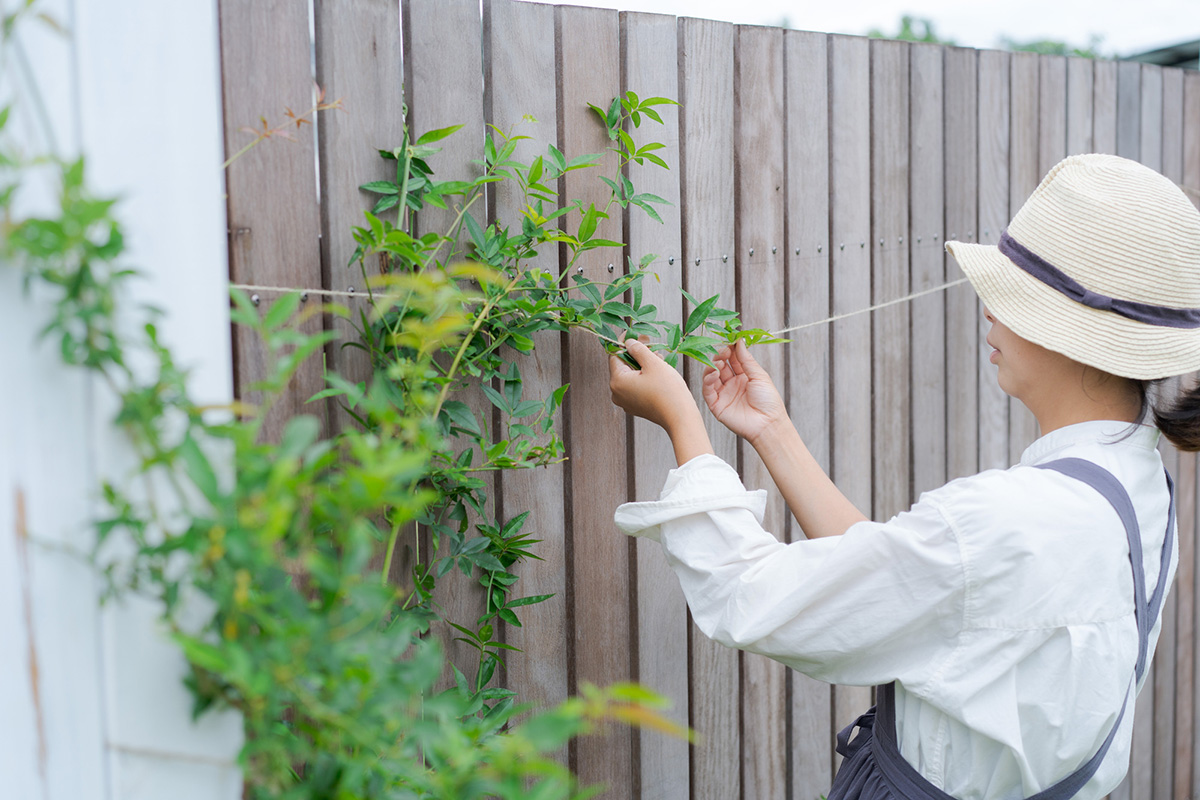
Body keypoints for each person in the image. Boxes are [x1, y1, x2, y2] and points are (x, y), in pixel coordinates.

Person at [607, 153, 1200, 799]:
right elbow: (914, 587)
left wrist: (682, 426)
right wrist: (770, 431)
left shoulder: (1007, 518)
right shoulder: (1134, 489)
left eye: (1008, 293)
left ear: (1069, 332)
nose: (986, 310)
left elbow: (751, 598)